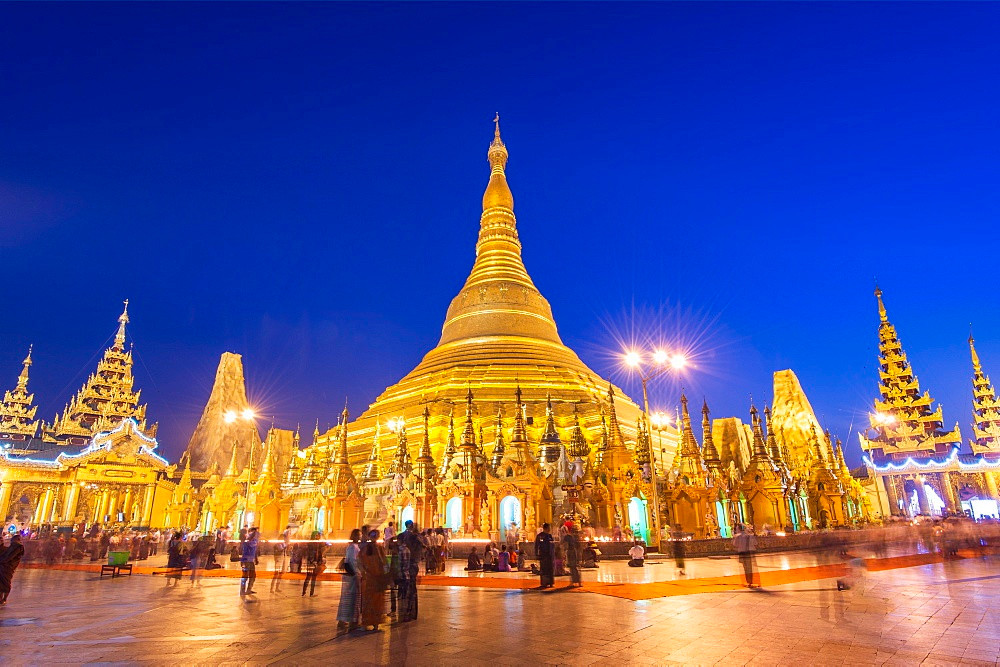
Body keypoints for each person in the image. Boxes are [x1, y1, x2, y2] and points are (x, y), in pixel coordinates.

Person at [396, 520, 427, 622]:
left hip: (407, 566)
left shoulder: (404, 536)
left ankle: (404, 612)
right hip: (412, 565)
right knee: (411, 589)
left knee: (405, 590)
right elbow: (424, 548)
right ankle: (410, 612)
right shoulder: (415, 537)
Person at [359, 529, 389, 631]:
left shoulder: (365, 549)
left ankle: (366, 622)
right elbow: (384, 562)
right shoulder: (378, 548)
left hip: (370, 578)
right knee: (377, 600)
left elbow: (361, 562)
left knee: (369, 600)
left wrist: (364, 572)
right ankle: (375, 623)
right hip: (377, 578)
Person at [337, 528, 362, 630]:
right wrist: (355, 574)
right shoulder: (353, 548)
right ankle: (351, 620)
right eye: (359, 535)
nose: (360, 537)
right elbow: (351, 562)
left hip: (353, 575)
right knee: (352, 599)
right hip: (353, 575)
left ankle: (344, 620)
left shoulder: (352, 547)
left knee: (348, 599)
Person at [0, 533, 25, 605]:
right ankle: (1, 598)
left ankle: (4, 599)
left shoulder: (18, 547)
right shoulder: (11, 547)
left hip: (8, 568)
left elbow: (9, 557)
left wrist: (3, 561)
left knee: (5, 583)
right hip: (3, 567)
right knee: (1, 583)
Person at [733, 524, 758, 588]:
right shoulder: (749, 536)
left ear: (739, 529)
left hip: (742, 553)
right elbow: (755, 543)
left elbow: (735, 544)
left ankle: (747, 581)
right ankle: (751, 581)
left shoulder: (737, 536)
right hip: (748, 552)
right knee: (750, 568)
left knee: (745, 568)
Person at [302, 531, 325, 597]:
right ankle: (304, 592)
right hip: (311, 562)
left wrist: (319, 562)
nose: (319, 537)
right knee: (309, 576)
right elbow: (311, 553)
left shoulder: (318, 544)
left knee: (313, 577)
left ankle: (310, 592)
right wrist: (313, 561)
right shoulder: (312, 544)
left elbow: (319, 553)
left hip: (315, 562)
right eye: (317, 535)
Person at [240, 527, 259, 599]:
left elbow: (255, 551)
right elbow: (250, 545)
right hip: (246, 560)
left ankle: (249, 589)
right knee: (245, 576)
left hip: (251, 561)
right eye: (254, 533)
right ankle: (242, 590)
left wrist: (256, 559)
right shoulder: (247, 541)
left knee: (252, 575)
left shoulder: (254, 541)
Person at [534, 523, 555, 588]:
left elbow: (552, 545)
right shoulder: (540, 536)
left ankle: (551, 582)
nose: (549, 529)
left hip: (549, 555)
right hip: (543, 554)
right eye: (549, 528)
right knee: (543, 569)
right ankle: (544, 582)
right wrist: (536, 554)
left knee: (550, 569)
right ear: (545, 528)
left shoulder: (549, 536)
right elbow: (536, 545)